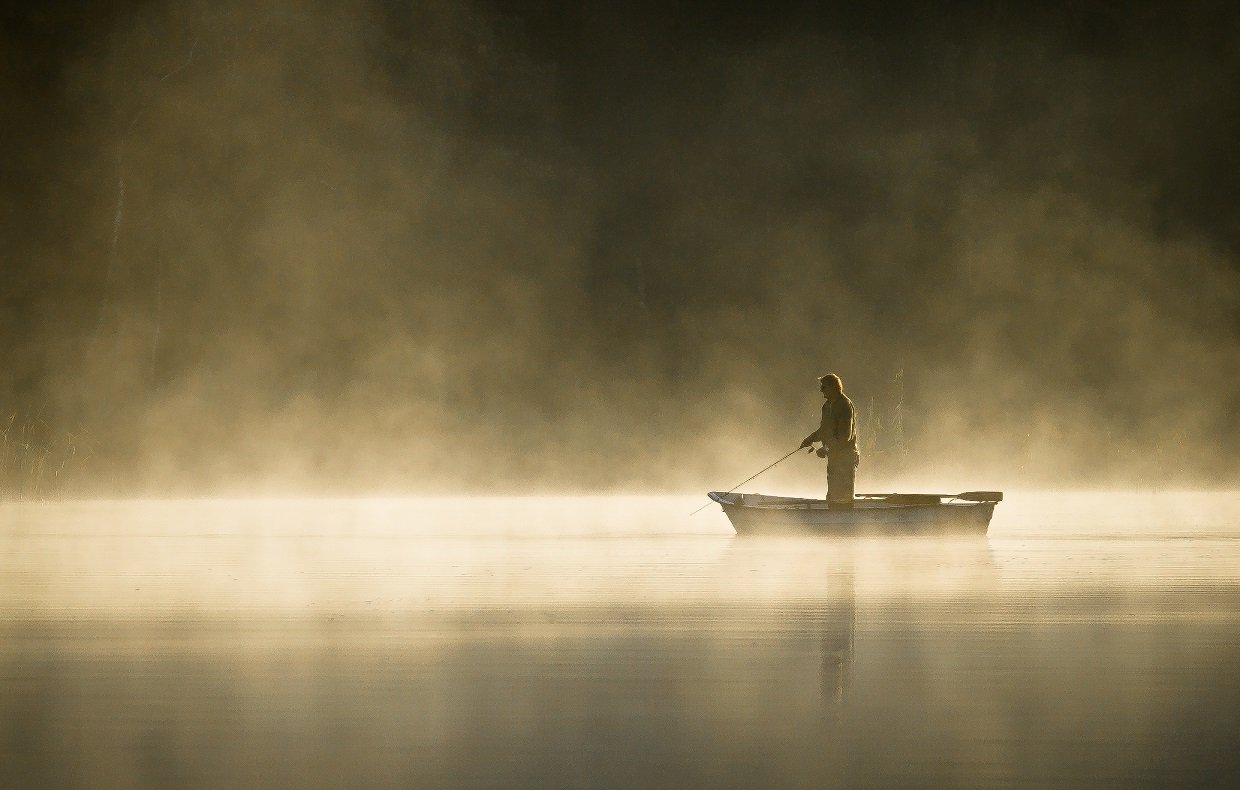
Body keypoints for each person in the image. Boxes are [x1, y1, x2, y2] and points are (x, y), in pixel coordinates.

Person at [799, 373, 859, 507]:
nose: (821, 390)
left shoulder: (844, 405)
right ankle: (834, 517)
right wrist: (810, 439)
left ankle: (844, 521)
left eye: (824, 387)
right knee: (833, 494)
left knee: (843, 496)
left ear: (833, 387)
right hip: (834, 457)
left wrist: (826, 449)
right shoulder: (826, 406)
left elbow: (845, 436)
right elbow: (824, 429)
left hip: (846, 457)